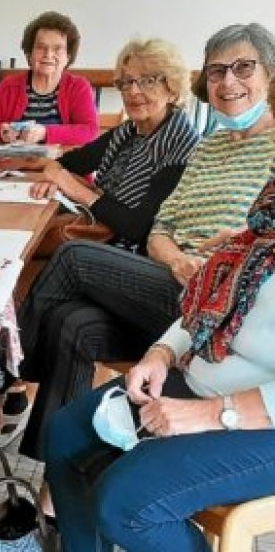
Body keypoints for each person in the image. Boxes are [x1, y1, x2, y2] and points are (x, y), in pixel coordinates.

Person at [16, 23, 275, 463]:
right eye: (216, 72)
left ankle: (7, 381)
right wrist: (175, 258)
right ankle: (51, 500)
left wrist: (224, 256)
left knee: (73, 257)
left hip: (223, 304)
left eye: (244, 68)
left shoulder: (230, 146)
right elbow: (161, 226)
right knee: (71, 322)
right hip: (173, 278)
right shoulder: (210, 147)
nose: (229, 82)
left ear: (269, 76)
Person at [44, 175, 275, 551]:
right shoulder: (264, 225)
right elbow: (208, 307)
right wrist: (161, 353)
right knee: (66, 434)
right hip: (205, 386)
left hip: (260, 425)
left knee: (125, 504)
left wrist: (213, 414)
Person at [15, 37, 200, 252]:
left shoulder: (183, 147)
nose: (133, 91)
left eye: (148, 81)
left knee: (23, 243)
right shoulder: (129, 131)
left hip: (129, 251)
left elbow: (139, 228)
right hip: (97, 230)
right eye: (127, 82)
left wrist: (74, 188)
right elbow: (67, 163)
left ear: (172, 90)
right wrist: (55, 178)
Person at [0, 10, 98, 145]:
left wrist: (44, 133)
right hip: (14, 163)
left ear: (68, 56)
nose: (48, 54)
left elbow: (90, 131)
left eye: (57, 49)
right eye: (41, 47)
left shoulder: (78, 87)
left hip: (60, 164)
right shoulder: (9, 87)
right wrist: (1, 132)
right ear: (30, 53)